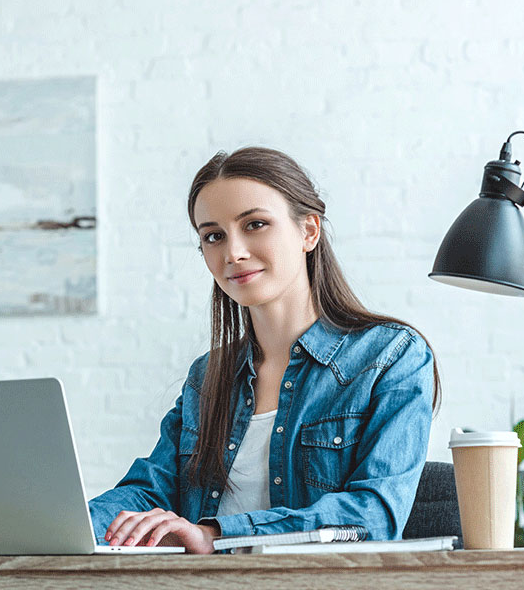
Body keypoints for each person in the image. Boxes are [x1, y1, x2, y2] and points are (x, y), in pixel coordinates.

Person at [88, 147, 440, 554]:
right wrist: (65, 526)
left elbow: (373, 516)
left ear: (309, 231)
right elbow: (149, 492)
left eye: (255, 224)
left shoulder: (390, 357)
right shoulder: (207, 377)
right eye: (213, 236)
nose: (233, 252)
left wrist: (215, 536)